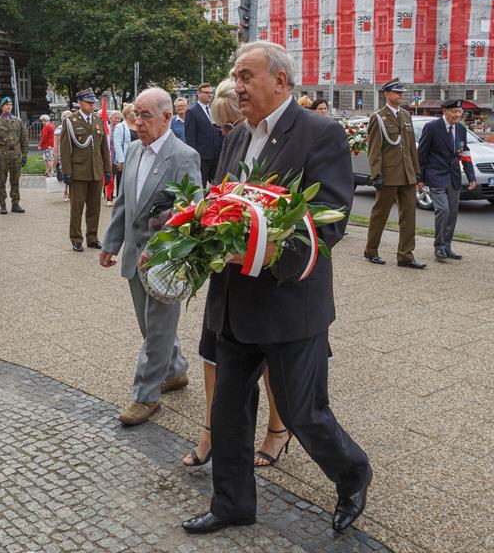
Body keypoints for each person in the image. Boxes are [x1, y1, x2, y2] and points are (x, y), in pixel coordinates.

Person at [183, 41, 370, 536]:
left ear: (280, 81)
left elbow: (329, 219)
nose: (236, 86)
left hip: (289, 304)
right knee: (228, 411)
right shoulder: (236, 137)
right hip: (233, 304)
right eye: (235, 76)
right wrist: (194, 237)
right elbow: (222, 206)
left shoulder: (320, 133)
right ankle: (231, 504)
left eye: (246, 76)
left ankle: (352, 473)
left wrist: (263, 251)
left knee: (304, 413)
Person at [183, 76, 291, 470]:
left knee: (271, 362)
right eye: (221, 127)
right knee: (212, 353)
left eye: (229, 124)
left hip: (266, 273)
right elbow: (219, 193)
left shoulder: (283, 139)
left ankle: (278, 429)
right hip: (226, 272)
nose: (225, 133)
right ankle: (212, 430)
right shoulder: (235, 140)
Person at [100, 87, 200, 426]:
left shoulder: (184, 156)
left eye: (145, 116)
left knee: (157, 330)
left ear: (167, 117)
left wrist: (158, 249)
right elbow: (124, 203)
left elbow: (190, 212)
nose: (138, 123)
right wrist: (111, 243)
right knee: (150, 327)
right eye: (135, 115)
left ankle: (146, 396)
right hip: (134, 255)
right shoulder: (132, 149)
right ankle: (175, 370)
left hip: (164, 261)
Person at [363, 78, 425, 269]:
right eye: (397, 92)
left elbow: (411, 147)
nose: (400, 95)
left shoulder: (406, 115)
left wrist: (417, 172)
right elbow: (374, 149)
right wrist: (376, 174)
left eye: (401, 92)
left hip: (407, 174)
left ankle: (405, 255)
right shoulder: (378, 117)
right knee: (380, 215)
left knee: (409, 216)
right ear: (386, 94)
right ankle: (371, 250)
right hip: (388, 175)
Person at [417, 99, 477, 262]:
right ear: (444, 111)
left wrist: (471, 176)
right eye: (454, 112)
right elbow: (421, 154)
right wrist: (420, 178)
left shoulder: (461, 128)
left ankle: (447, 246)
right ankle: (439, 247)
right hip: (436, 175)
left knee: (452, 213)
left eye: (460, 112)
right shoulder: (432, 127)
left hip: (454, 176)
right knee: (443, 210)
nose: (458, 115)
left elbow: (464, 152)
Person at [60, 88, 111, 252]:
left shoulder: (99, 121)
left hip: (96, 171)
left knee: (95, 208)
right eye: (89, 103)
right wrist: (66, 171)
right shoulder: (70, 121)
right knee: (77, 208)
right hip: (79, 172)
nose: (92, 105)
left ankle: (92, 237)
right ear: (80, 103)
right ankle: (76, 239)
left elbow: (104, 149)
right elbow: (65, 149)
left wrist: (107, 170)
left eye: (93, 103)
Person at [0, 96, 28, 214]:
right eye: (6, 105)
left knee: (15, 180)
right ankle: (2, 204)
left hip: (15, 156)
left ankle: (15, 203)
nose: (9, 107)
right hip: (2, 156)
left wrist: (25, 154)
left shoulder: (18, 121)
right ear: (2, 107)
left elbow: (23, 138)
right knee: (1, 181)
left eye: (10, 105)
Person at [184, 83, 223, 186]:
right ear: (198, 94)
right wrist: (194, 158)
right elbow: (190, 137)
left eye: (211, 93)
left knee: (218, 185)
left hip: (217, 156)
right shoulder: (192, 111)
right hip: (202, 158)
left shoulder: (214, 109)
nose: (210, 95)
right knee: (200, 186)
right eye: (206, 93)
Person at [112, 104, 137, 199]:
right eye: (133, 112)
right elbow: (117, 144)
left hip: (138, 159)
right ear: (127, 114)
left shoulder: (139, 124)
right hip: (126, 160)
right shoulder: (120, 126)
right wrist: (121, 161)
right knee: (123, 186)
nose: (136, 114)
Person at [53, 110, 73, 202]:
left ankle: (72, 192)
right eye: (64, 116)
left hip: (74, 154)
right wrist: (56, 156)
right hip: (63, 154)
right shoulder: (59, 129)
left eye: (68, 116)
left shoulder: (75, 127)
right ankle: (66, 192)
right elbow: (56, 144)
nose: (66, 117)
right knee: (65, 173)